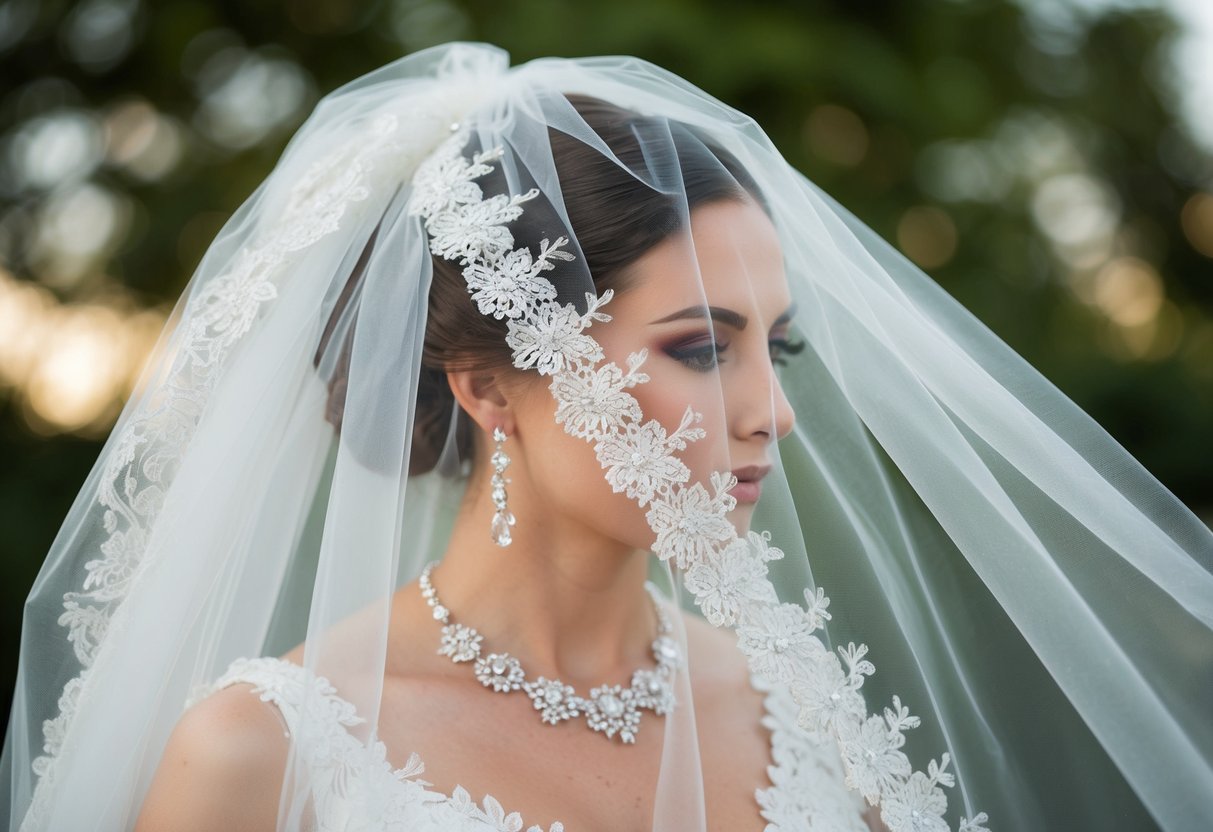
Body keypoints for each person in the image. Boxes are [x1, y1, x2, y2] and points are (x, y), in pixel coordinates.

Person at [3, 42, 1211, 832]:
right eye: (699, 344)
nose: (769, 410)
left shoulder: (814, 729)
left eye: (774, 347)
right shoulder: (262, 756)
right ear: (487, 382)